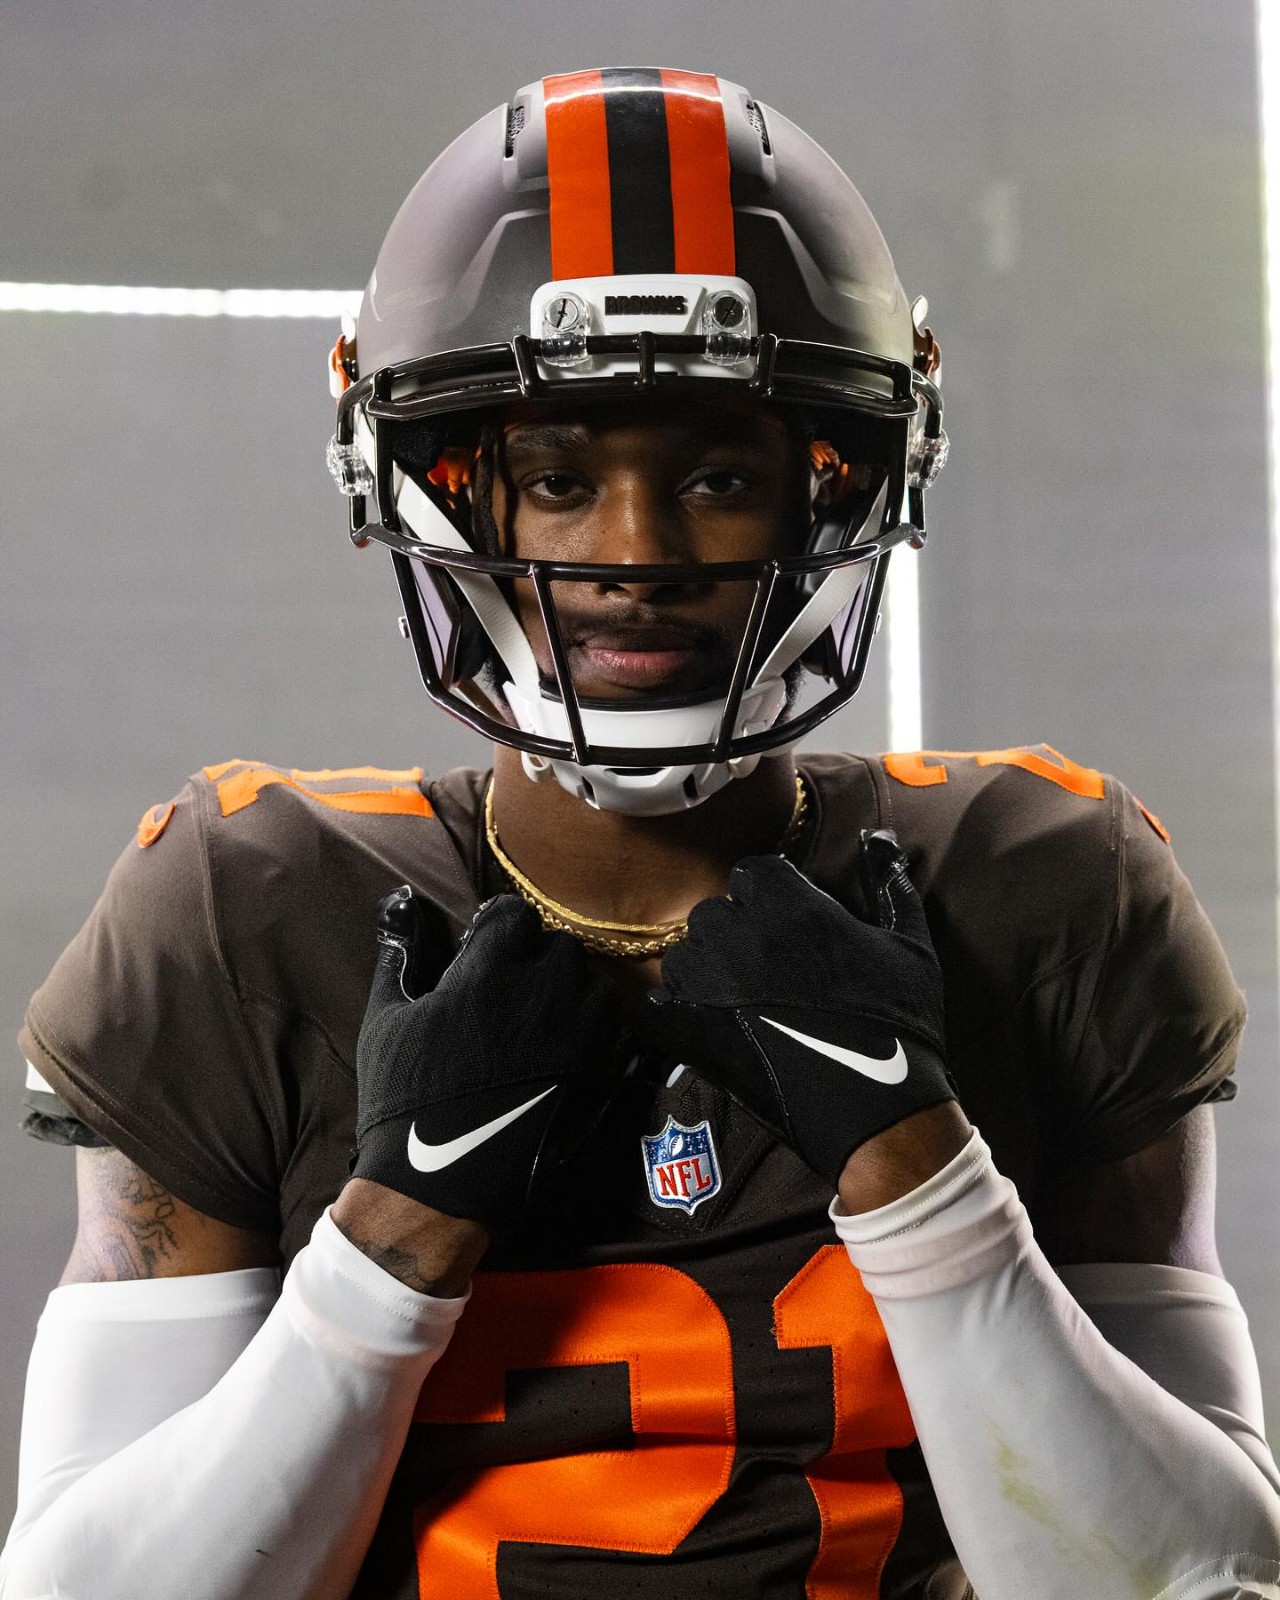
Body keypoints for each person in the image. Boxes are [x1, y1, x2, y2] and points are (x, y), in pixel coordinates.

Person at [3, 65, 1278, 1600]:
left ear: (842, 486)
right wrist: (389, 1243)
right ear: (432, 491)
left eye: (721, 477)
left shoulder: (1046, 883)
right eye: (556, 478)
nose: (637, 552)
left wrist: (924, 1180)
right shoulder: (242, 910)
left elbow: (1207, 1586)